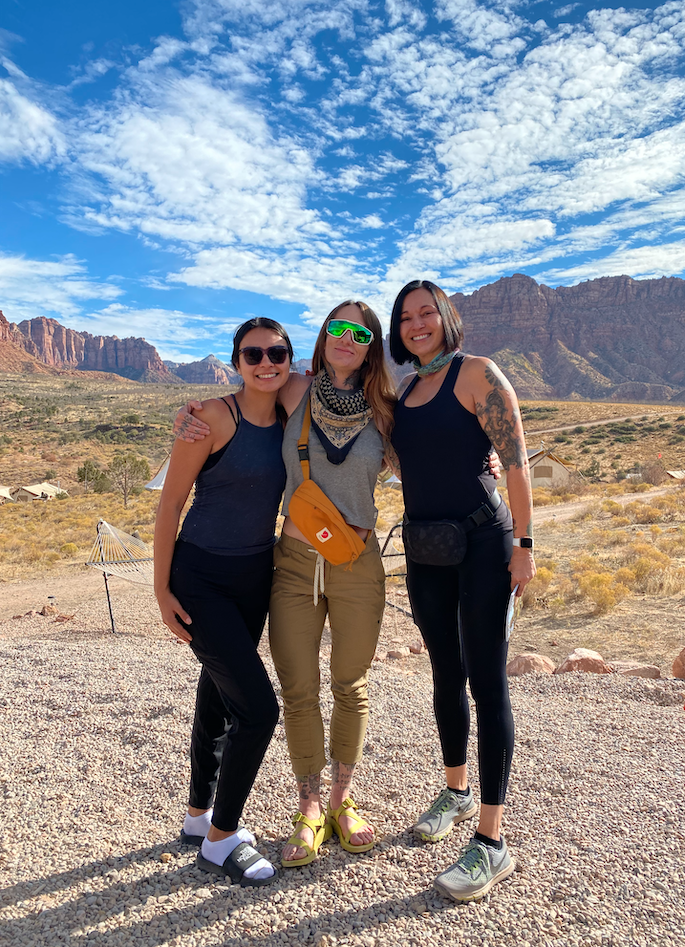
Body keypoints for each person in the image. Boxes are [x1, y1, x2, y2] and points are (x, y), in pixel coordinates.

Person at [174, 301, 395, 868]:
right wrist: (189, 414)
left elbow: (435, 451)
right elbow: (249, 394)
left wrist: (486, 462)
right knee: (295, 692)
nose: (348, 337)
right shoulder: (297, 389)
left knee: (351, 684)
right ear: (323, 337)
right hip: (294, 560)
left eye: (361, 331)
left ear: (373, 342)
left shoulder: (386, 409)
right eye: (338, 327)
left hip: (356, 561)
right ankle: (310, 808)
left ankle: (343, 804)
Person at [389, 279, 536, 903]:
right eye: (406, 317)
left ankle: (492, 843)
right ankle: (454, 791)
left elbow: (518, 460)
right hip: (426, 549)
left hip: (482, 545)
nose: (418, 324)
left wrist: (525, 548)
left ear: (447, 317)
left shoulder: (479, 374)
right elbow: (405, 461)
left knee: (486, 678)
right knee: (444, 674)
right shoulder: (404, 388)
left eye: (428, 313)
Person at [154, 317, 294, 887]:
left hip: (255, 574)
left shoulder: (292, 408)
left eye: (276, 353)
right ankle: (221, 839)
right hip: (201, 577)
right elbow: (170, 504)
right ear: (236, 361)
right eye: (253, 354)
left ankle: (197, 817)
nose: (266, 363)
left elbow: (341, 378)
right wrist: (161, 590)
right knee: (259, 709)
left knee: (217, 692)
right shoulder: (212, 417)